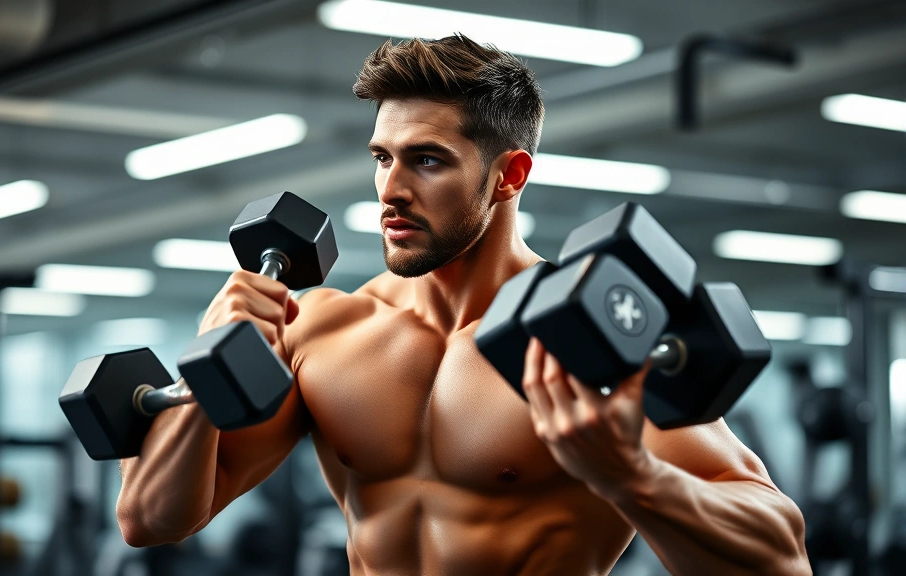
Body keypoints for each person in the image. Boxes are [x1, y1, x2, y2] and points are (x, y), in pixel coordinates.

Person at [117, 35, 810, 575]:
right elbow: (152, 519)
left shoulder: (587, 337)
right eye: (381, 157)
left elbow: (780, 556)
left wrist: (634, 476)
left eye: (426, 160)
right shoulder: (325, 327)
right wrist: (210, 359)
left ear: (509, 174)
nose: (390, 189)